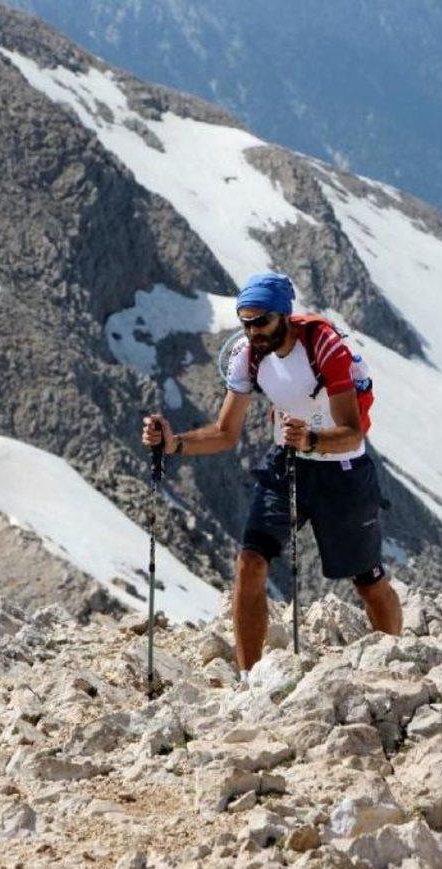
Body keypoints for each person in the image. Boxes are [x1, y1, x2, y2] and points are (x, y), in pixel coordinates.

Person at [142, 272, 402, 680]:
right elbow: (225, 433)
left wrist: (312, 439)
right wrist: (173, 444)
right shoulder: (247, 355)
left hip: (342, 470)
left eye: (261, 321)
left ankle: (399, 662)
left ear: (283, 314)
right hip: (288, 463)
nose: (253, 331)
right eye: (245, 322)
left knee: (368, 581)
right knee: (250, 562)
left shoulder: (325, 347)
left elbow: (353, 431)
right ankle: (250, 681)